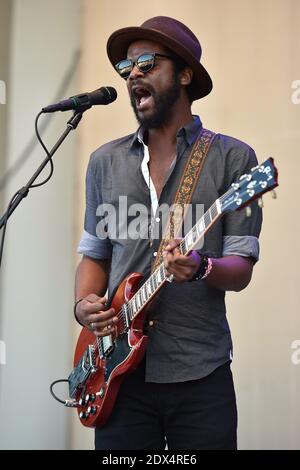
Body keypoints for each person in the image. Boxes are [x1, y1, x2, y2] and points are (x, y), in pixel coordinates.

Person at [74, 16, 262, 450]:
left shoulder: (233, 159)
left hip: (200, 373)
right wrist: (84, 305)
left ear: (184, 73)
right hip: (117, 372)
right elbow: (96, 254)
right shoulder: (105, 162)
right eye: (127, 68)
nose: (133, 74)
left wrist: (201, 266)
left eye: (146, 62)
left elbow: (241, 268)